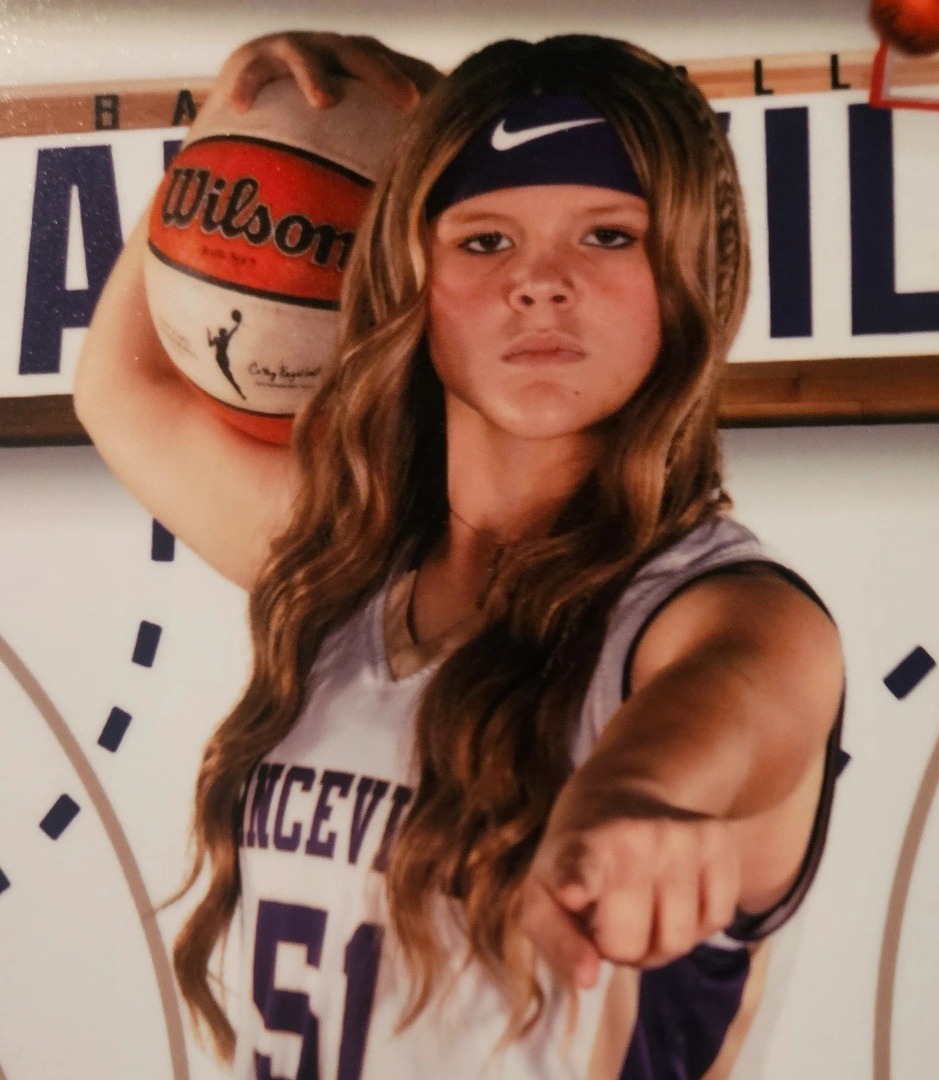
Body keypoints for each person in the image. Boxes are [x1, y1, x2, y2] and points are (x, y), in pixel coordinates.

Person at [74, 29, 847, 1080]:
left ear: (689, 276)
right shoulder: (349, 572)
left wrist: (632, 803)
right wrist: (230, 131)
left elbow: (731, 708)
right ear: (411, 272)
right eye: (485, 240)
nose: (542, 283)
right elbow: (124, 390)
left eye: (607, 236)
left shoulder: (731, 613)